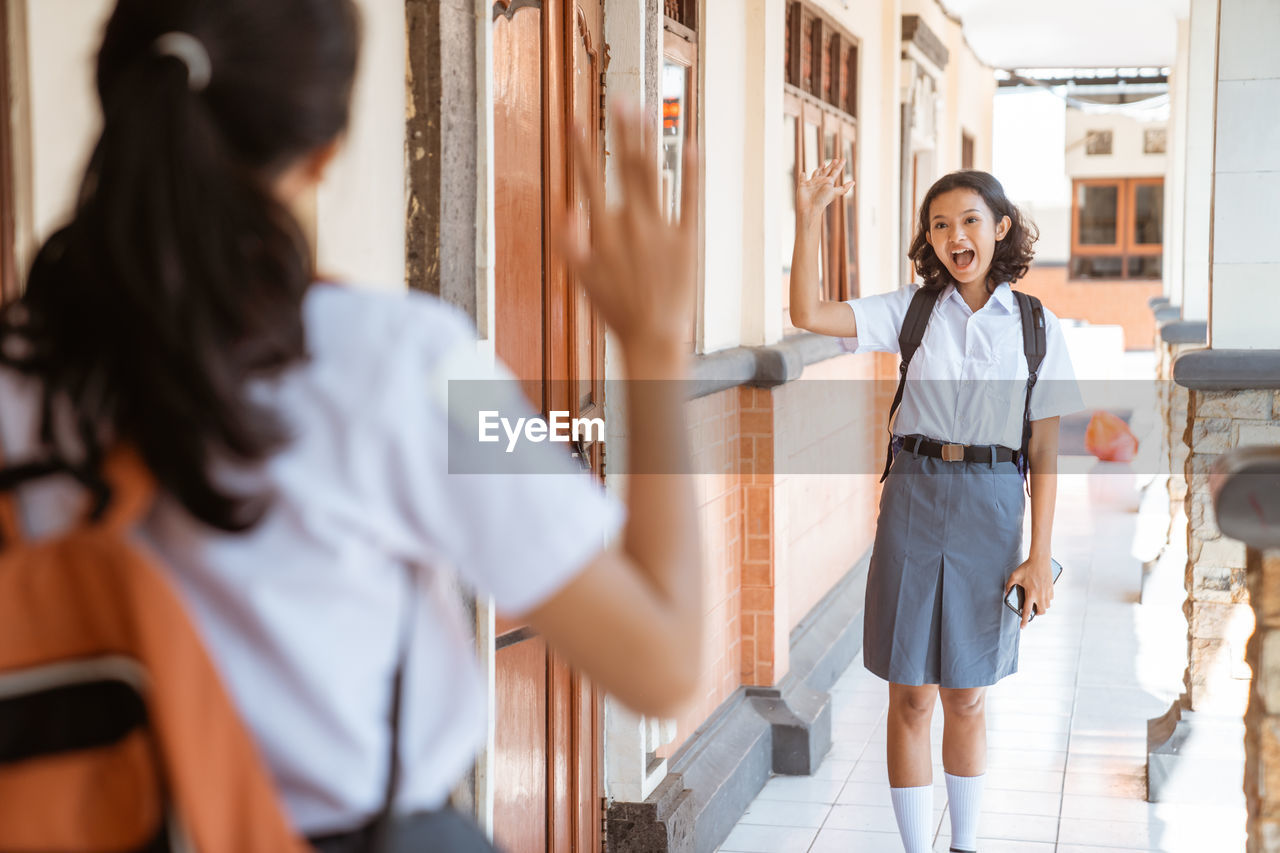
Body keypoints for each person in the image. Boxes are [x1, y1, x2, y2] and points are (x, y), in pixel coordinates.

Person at [0, 0, 702, 849]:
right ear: (325, 150)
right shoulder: (410, 363)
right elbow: (661, 663)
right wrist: (656, 350)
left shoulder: (19, 372)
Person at [788, 162, 1082, 853]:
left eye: (970, 220)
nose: (956, 236)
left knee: (967, 693)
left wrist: (1039, 555)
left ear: (1001, 228)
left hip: (992, 504)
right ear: (929, 237)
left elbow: (1045, 448)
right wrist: (808, 217)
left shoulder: (1036, 327)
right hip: (915, 499)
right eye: (940, 224)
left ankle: (966, 844)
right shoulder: (913, 310)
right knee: (911, 693)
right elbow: (808, 313)